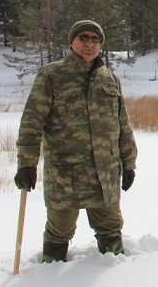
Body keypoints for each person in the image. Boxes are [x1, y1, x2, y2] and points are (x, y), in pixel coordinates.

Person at [13, 20, 138, 262]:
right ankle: (49, 280)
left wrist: (129, 162)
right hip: (66, 174)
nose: (90, 43)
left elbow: (122, 124)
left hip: (105, 173)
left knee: (111, 227)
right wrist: (26, 163)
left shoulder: (109, 78)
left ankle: (118, 278)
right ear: (72, 42)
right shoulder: (52, 75)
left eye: (95, 39)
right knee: (59, 231)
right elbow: (32, 122)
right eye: (84, 38)